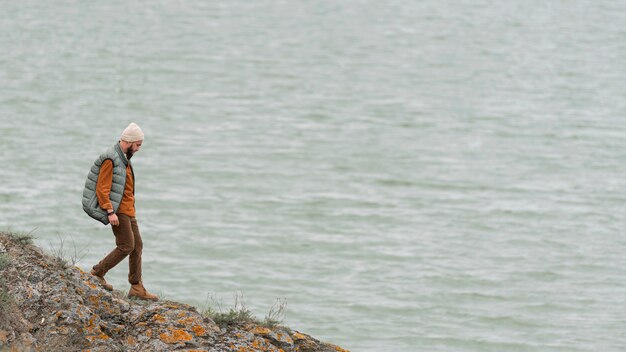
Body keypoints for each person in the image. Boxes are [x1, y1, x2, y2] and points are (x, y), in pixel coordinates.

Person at [82, 122, 158, 301]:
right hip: (118, 211)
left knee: (137, 245)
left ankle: (136, 287)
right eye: (138, 145)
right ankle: (97, 273)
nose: (138, 149)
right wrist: (110, 211)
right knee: (126, 246)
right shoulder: (111, 158)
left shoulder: (123, 159)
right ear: (129, 141)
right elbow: (102, 187)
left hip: (129, 211)